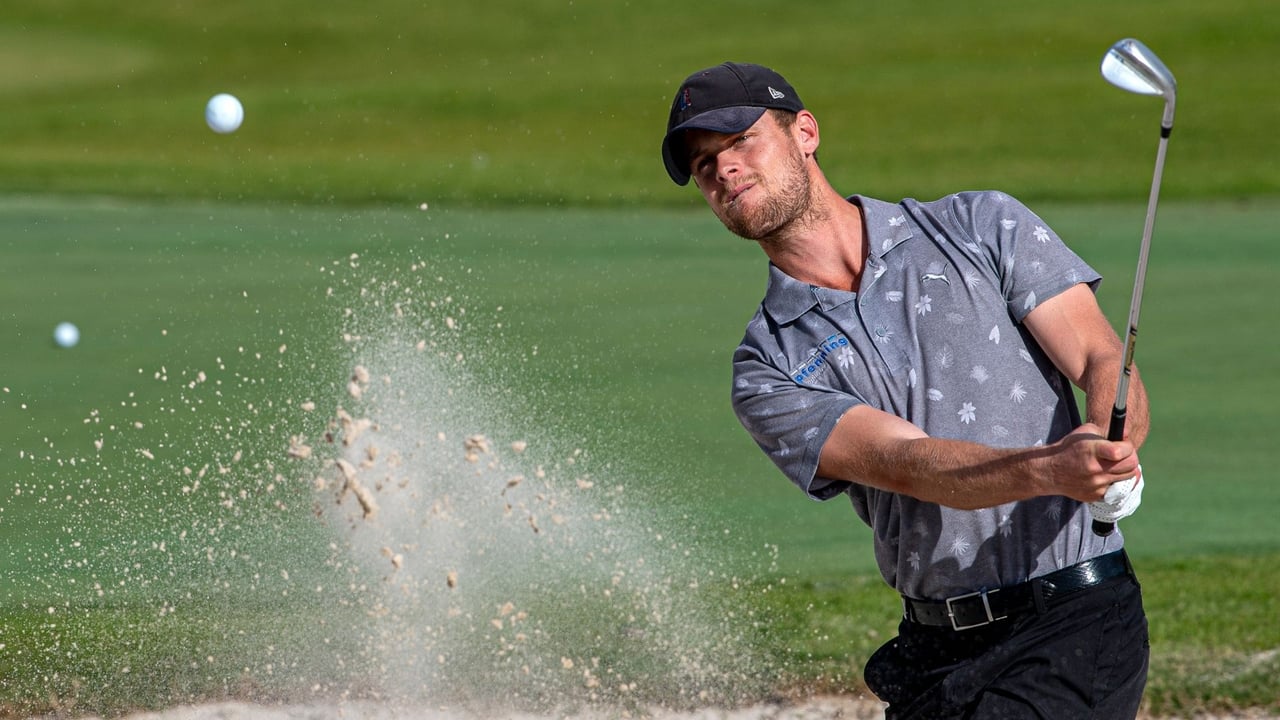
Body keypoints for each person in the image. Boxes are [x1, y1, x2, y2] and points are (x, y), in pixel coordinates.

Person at [661, 62, 1151, 719]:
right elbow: (906, 463)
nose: (723, 169)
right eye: (703, 165)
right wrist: (1052, 469)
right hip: (933, 649)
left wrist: (1111, 441)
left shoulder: (980, 225)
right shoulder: (767, 365)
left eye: (739, 141)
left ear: (804, 132)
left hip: (1072, 620)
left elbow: (1099, 356)